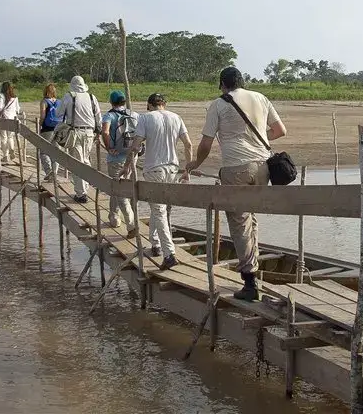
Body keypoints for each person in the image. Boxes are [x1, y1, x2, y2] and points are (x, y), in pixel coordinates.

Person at [185, 66, 286, 301]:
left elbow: (206, 143)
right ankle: (253, 269)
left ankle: (250, 282)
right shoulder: (260, 97)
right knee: (251, 219)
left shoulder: (218, 104)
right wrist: (255, 139)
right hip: (263, 166)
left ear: (223, 84)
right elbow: (280, 131)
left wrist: (194, 163)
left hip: (236, 168)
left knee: (240, 223)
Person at [121, 93, 191, 271]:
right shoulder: (176, 117)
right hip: (172, 169)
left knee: (158, 210)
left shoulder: (146, 118)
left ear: (149, 105)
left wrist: (127, 166)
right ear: (164, 104)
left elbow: (136, 146)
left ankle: (169, 254)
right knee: (160, 207)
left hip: (154, 169)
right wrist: (187, 171)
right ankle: (155, 243)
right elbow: (188, 144)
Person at [55, 75, 101, 203]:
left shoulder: (69, 96)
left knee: (77, 161)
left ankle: (81, 194)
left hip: (75, 132)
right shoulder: (92, 97)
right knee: (86, 160)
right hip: (90, 133)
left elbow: (58, 113)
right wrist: (98, 131)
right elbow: (98, 116)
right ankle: (85, 187)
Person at [101, 90, 138, 237]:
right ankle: (114, 218)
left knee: (119, 191)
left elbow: (105, 132)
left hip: (116, 158)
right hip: (131, 158)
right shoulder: (133, 114)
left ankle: (131, 225)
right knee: (117, 188)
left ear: (111, 102)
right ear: (123, 102)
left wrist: (109, 147)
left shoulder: (109, 115)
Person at [38, 83, 60, 181]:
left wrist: (40, 124)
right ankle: (54, 174)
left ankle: (49, 172)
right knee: (55, 152)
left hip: (47, 129)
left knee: (43, 151)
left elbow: (42, 115)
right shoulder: (59, 102)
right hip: (58, 128)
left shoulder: (44, 101)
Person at [0, 81, 21, 162]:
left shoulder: (1, 95)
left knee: (4, 137)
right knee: (10, 137)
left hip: (4, 118)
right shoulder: (15, 97)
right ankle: (12, 149)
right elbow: (18, 109)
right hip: (13, 119)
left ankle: (5, 156)